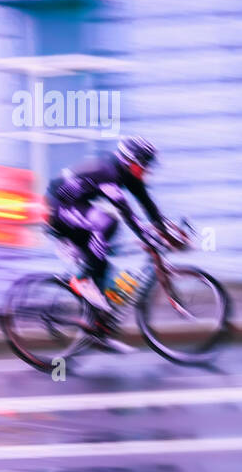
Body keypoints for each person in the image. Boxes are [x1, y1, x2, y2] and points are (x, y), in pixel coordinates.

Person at [46, 136, 181, 348]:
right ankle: (81, 280)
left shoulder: (128, 175)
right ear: (131, 161)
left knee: (103, 264)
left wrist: (166, 231)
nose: (148, 170)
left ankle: (98, 331)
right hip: (58, 207)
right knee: (107, 222)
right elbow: (126, 212)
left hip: (75, 206)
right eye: (145, 165)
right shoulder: (109, 172)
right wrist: (149, 239)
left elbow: (148, 205)